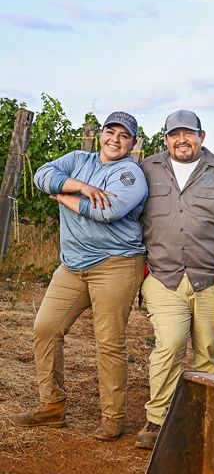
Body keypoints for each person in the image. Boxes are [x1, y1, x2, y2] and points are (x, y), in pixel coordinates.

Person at [10, 112, 147, 441]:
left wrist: (64, 198)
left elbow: (108, 211)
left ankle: (113, 418)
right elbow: (43, 174)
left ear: (133, 143)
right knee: (45, 327)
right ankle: (52, 407)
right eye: (110, 132)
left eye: (123, 135)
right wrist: (81, 186)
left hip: (116, 264)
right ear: (101, 134)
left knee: (108, 342)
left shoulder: (130, 173)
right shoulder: (78, 159)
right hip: (72, 265)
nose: (115, 139)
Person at [134, 110, 214, 450]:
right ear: (165, 139)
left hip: (211, 278)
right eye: (174, 134)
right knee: (170, 343)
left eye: (189, 133)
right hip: (163, 276)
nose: (182, 139)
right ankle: (157, 417)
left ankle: (200, 414)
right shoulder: (146, 170)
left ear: (202, 136)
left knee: (208, 350)